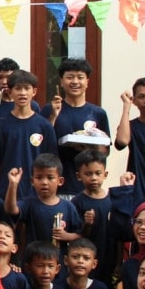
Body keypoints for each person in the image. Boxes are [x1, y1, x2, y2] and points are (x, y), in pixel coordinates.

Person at [0, 70, 58, 202]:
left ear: (34, 92)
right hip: (5, 192)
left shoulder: (44, 126)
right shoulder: (0, 125)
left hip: (37, 194)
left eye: (27, 88)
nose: (22, 93)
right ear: (10, 92)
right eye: (18, 88)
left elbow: (52, 163)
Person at [48, 57, 111, 197]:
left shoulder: (98, 113)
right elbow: (43, 145)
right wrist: (52, 116)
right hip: (58, 188)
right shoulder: (51, 110)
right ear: (61, 82)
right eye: (69, 77)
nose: (75, 82)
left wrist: (89, 148)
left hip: (89, 190)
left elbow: (105, 151)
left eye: (80, 77)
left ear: (87, 82)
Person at [3, 154, 81, 249]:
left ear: (60, 181)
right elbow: (11, 209)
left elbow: (80, 235)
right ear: (32, 181)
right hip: (33, 260)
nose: (44, 182)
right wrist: (13, 184)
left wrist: (66, 236)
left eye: (50, 177)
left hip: (57, 261)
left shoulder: (68, 207)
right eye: (39, 177)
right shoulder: (29, 203)